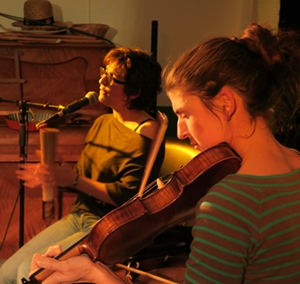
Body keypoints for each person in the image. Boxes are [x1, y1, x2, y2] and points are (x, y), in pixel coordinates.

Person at [25, 22, 300, 283]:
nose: (180, 131)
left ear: (226, 103)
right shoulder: (294, 163)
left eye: (185, 114)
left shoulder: (228, 204)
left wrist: (97, 275)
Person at [0, 47, 165, 284]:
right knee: (6, 273)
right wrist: (56, 174)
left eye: (110, 78)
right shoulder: (102, 122)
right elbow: (84, 177)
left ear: (134, 92)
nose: (101, 80)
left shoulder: (147, 132)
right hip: (80, 215)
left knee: (31, 272)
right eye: (103, 73)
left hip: (109, 226)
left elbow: (127, 196)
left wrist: (72, 179)